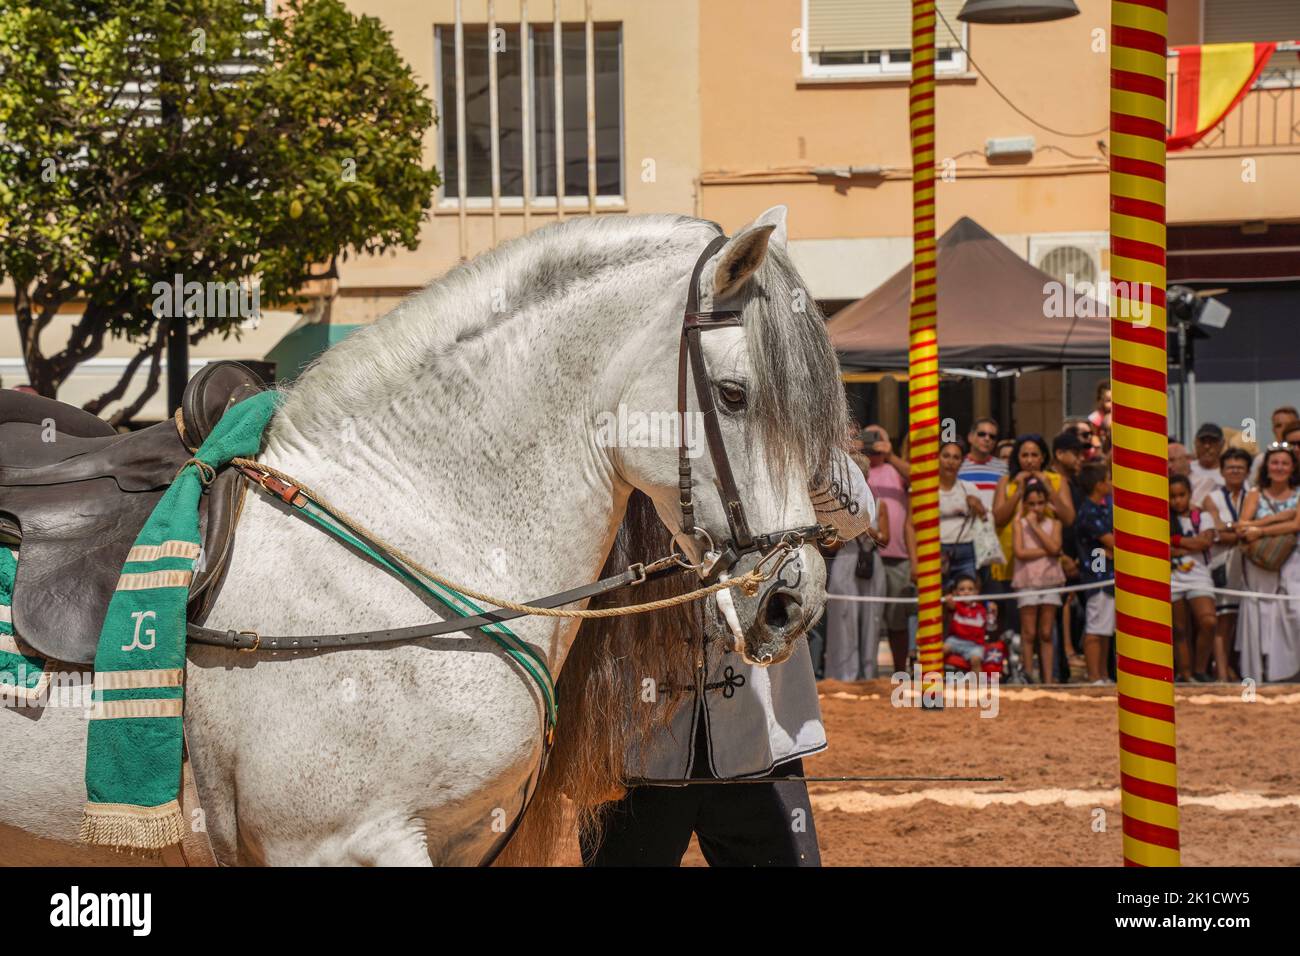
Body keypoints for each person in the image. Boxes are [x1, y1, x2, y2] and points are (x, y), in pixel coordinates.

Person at [1235, 444, 1300, 683]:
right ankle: (1262, 673)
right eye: (1275, 463)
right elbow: (1241, 525)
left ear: (1293, 467)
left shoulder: (1298, 493)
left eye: (1285, 463)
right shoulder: (1255, 493)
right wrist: (1283, 517)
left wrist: (1260, 528)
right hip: (1261, 563)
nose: (1279, 467)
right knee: (1260, 613)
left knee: (1293, 612)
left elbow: (1296, 525)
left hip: (1293, 562)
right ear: (1266, 467)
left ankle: (1291, 671)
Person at [992, 435, 1076, 594]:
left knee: (1048, 616)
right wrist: (1018, 491)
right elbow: (999, 519)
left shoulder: (1057, 480)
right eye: (1024, 455)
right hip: (1012, 559)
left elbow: (1069, 519)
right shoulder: (1006, 481)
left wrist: (1049, 488)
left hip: (1047, 562)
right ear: (1017, 457)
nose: (1029, 460)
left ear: (1043, 457)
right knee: (1014, 616)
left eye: (1034, 455)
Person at [862, 423, 915, 673]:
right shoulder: (858, 469)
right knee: (864, 617)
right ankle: (865, 671)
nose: (874, 443)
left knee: (897, 618)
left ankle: (900, 670)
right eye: (869, 438)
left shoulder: (896, 469)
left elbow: (921, 478)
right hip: (862, 555)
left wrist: (891, 454)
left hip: (896, 554)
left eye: (878, 438)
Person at [1202, 447, 1251, 681]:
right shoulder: (1213, 497)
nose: (1235, 471)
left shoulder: (1253, 494)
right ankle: (1221, 675)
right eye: (1230, 467)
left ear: (1248, 471)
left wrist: (1229, 528)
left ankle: (1238, 671)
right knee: (1223, 620)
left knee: (1243, 621)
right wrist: (1239, 530)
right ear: (1222, 471)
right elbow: (1216, 530)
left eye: (1240, 468)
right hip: (1222, 563)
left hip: (1250, 565)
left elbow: (1228, 528)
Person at [824, 502, 888, 681]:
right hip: (846, 559)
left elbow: (886, 540)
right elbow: (830, 544)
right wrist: (850, 530)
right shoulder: (836, 504)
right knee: (843, 618)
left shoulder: (879, 503)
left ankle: (869, 673)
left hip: (871, 562)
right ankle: (843, 675)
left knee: (872, 618)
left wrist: (871, 532)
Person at [1012, 480, 1066, 683]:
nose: (1036, 508)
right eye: (1032, 503)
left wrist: (1036, 527)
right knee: (1028, 632)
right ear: (1025, 504)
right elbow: (1020, 552)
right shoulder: (1019, 524)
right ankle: (1028, 676)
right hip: (1027, 581)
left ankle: (1049, 679)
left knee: (1045, 632)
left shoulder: (1055, 524)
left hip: (1050, 580)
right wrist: (1048, 550)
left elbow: (1056, 547)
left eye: (1041, 503)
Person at [1168, 473, 1217, 683]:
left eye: (1182, 495)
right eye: (1173, 496)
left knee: (1208, 621)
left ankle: (1200, 669)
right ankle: (1185, 674)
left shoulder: (1202, 517)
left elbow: (1204, 543)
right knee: (1178, 629)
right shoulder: (1162, 517)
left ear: (1190, 494)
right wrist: (1190, 543)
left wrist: (1175, 540)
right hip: (1172, 577)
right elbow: (1163, 549)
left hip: (1199, 576)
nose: (1178, 500)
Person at [1075, 463, 1115, 684]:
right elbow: (1110, 542)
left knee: (1106, 628)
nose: (1111, 483)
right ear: (1099, 485)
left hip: (1107, 575)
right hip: (1096, 575)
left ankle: (1103, 674)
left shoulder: (1101, 509)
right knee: (1095, 626)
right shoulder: (1089, 512)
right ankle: (1093, 675)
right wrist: (1110, 548)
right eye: (1108, 479)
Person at [933, 441, 985, 589]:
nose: (950, 462)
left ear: (961, 462)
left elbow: (985, 520)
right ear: (937, 458)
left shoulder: (970, 488)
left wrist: (979, 507)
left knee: (967, 600)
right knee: (938, 598)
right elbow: (911, 525)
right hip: (937, 549)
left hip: (966, 549)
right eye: (946, 456)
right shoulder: (926, 490)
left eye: (956, 458)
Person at [958, 417, 1008, 512]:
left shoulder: (1004, 468)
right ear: (970, 437)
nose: (987, 438)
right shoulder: (957, 465)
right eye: (982, 434)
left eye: (992, 436)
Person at [942, 573, 987, 671]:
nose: (966, 592)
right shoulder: (956, 605)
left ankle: (978, 685)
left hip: (975, 645)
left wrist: (991, 606)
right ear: (956, 593)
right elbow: (950, 606)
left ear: (976, 592)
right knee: (941, 650)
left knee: (976, 660)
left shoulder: (981, 608)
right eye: (962, 589)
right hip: (955, 640)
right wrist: (949, 600)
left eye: (970, 589)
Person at [1249, 406, 1300, 488]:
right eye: (1279, 426)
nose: (1284, 429)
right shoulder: (1262, 460)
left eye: (1289, 424)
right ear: (1273, 429)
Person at [1189, 423, 1226, 504]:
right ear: (1195, 443)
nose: (1207, 446)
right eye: (1203, 441)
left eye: (1212, 441)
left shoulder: (1230, 472)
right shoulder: (1187, 469)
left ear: (1222, 444)